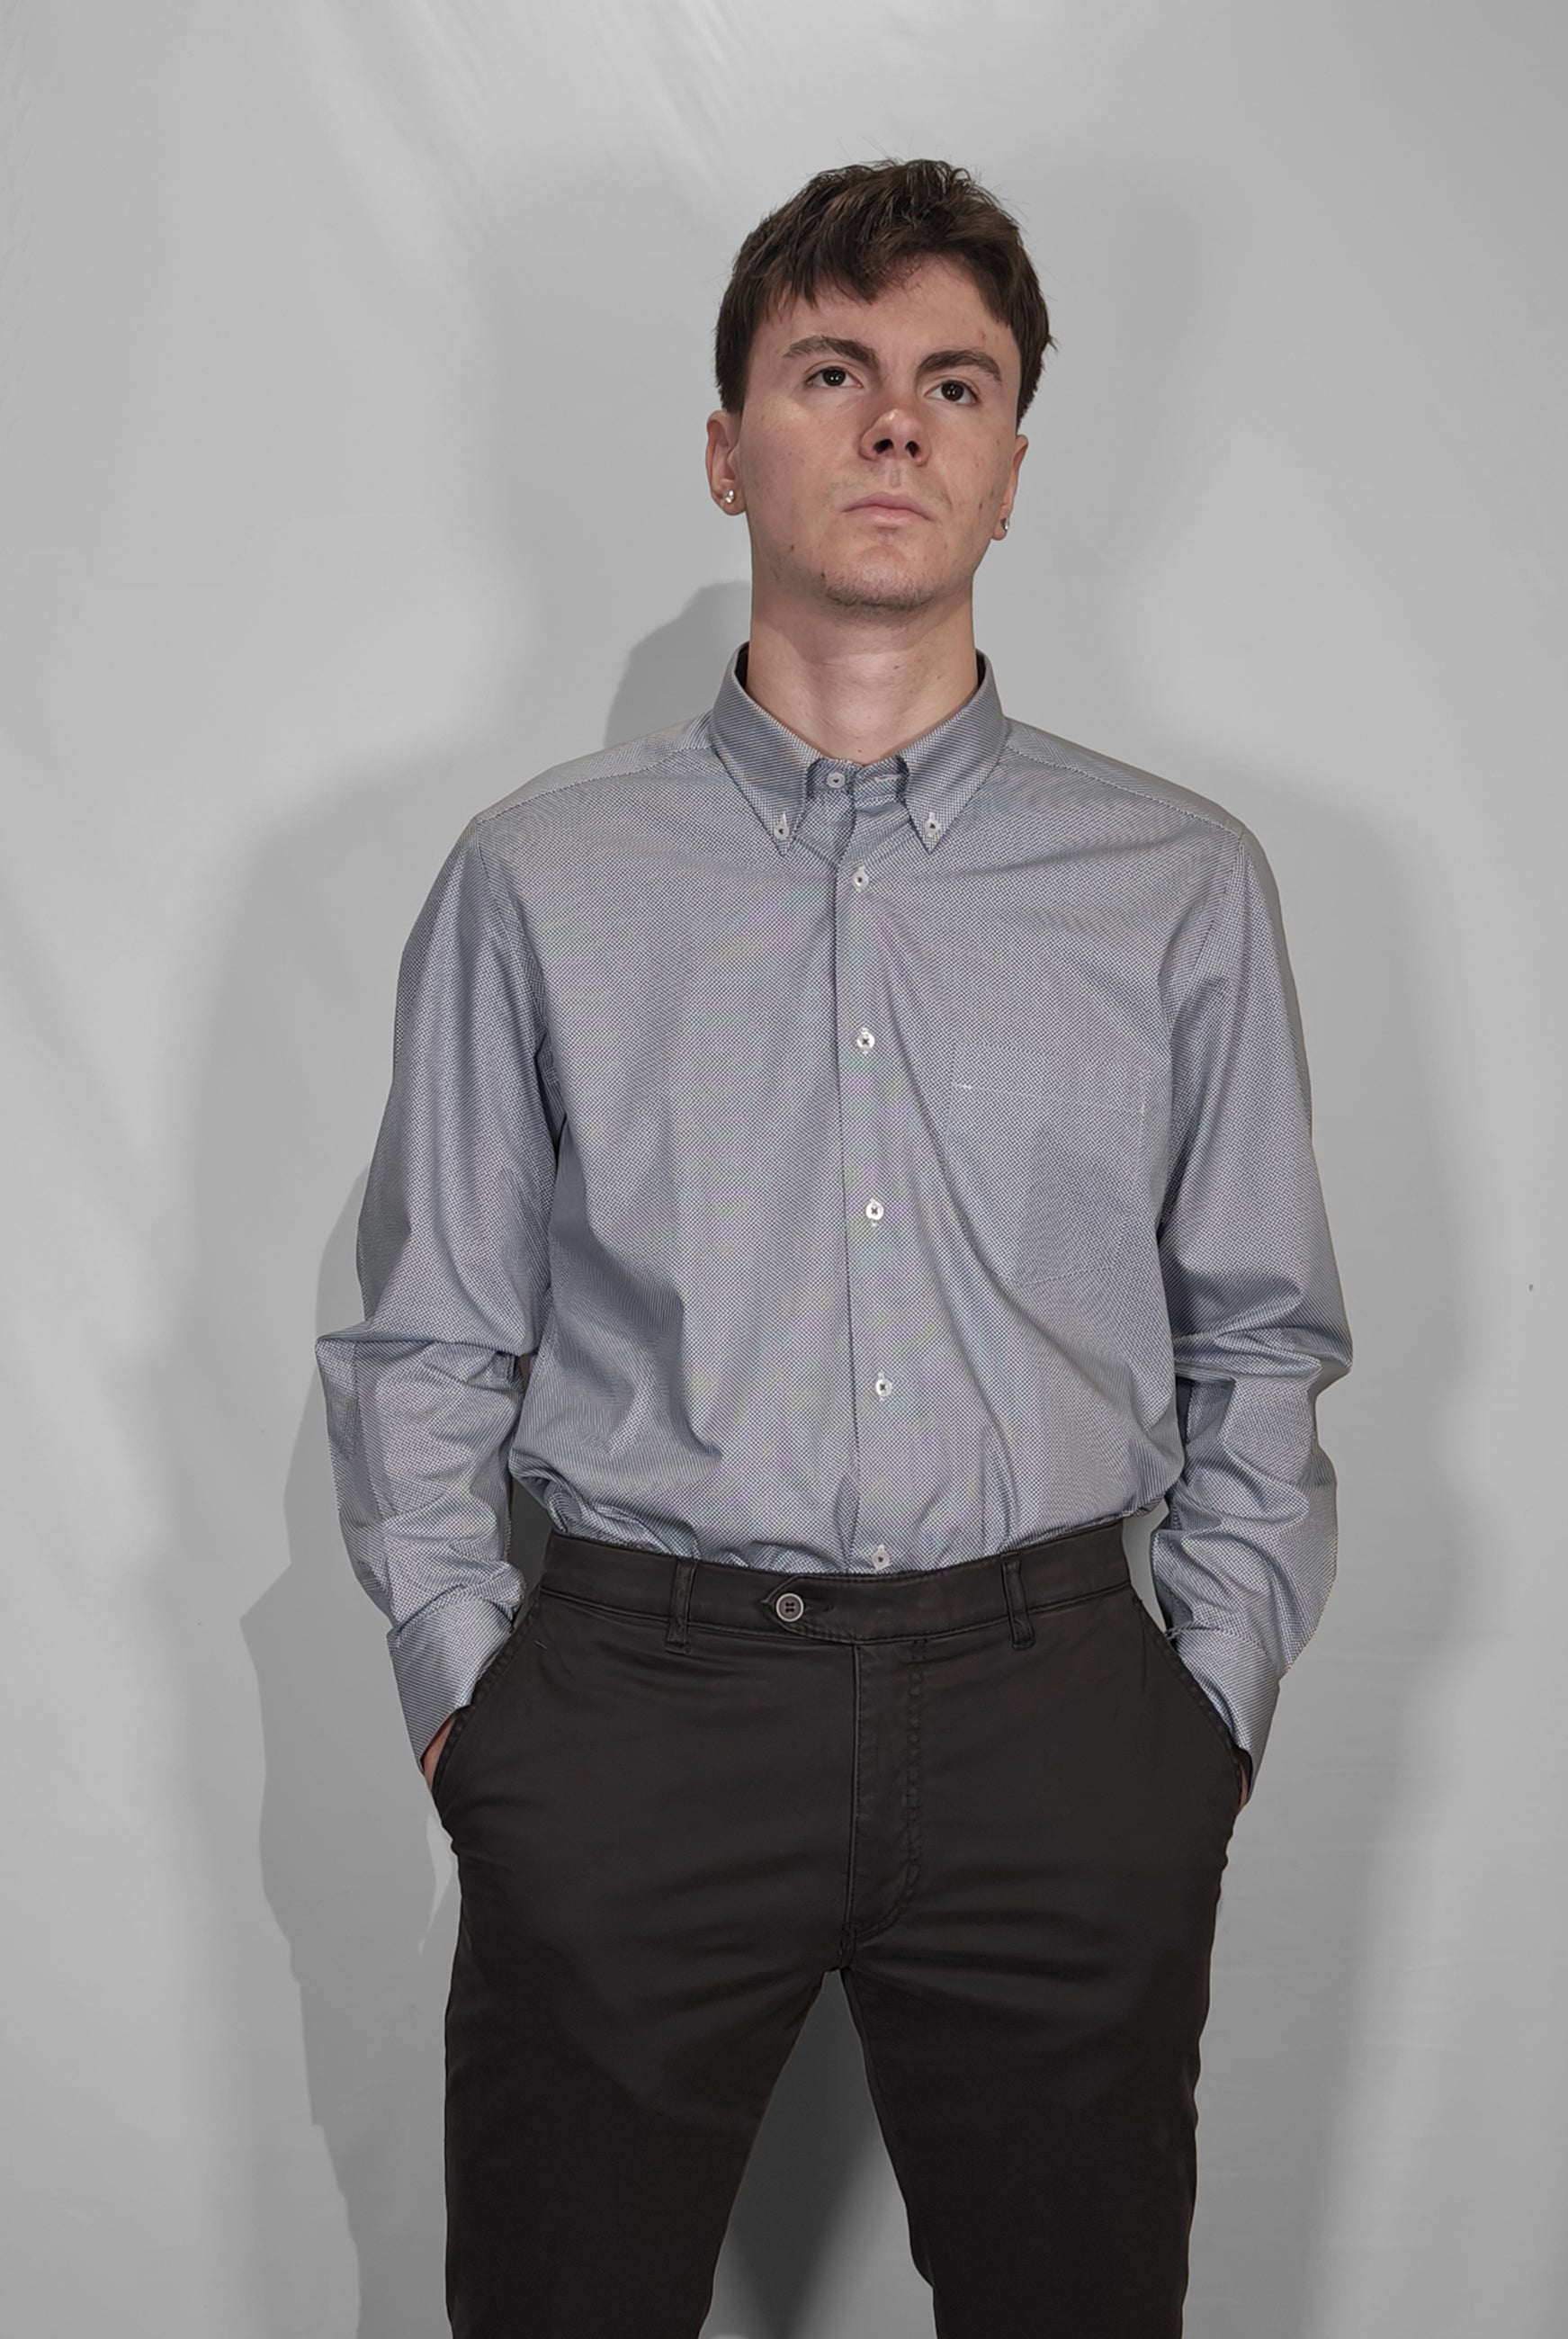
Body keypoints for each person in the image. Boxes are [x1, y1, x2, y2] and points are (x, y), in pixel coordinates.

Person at [316, 156, 1352, 2339]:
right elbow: (428, 1340)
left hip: (1062, 1716)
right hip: (637, 1710)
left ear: (1010, 466)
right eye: (832, 371)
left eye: (955, 383)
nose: (896, 421)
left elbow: (1261, 1331)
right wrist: (473, 1712)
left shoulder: (1180, 885)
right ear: (728, 451)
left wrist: (1209, 1709)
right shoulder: (536, 878)